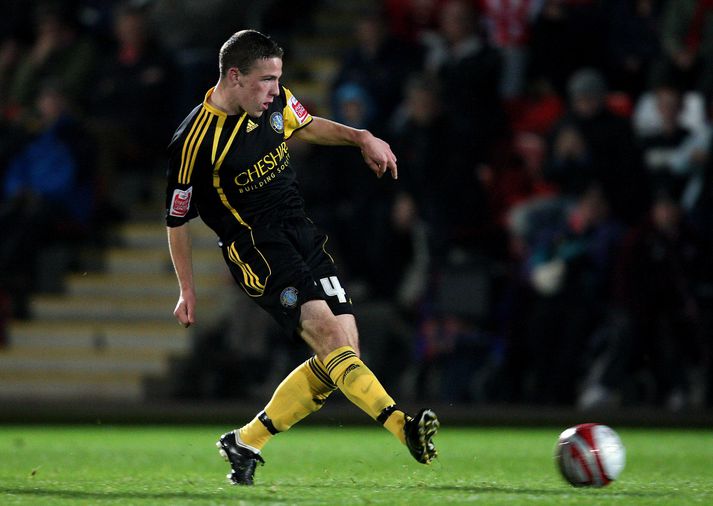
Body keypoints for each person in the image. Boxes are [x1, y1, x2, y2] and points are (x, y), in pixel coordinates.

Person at [164, 30, 439, 486]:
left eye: (278, 80)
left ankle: (247, 440)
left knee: (342, 356)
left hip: (302, 234)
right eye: (267, 80)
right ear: (234, 77)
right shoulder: (193, 141)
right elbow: (176, 221)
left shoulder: (271, 101)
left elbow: (305, 124)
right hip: (256, 248)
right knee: (332, 341)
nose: (276, 90)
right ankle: (401, 426)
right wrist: (186, 288)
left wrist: (361, 137)